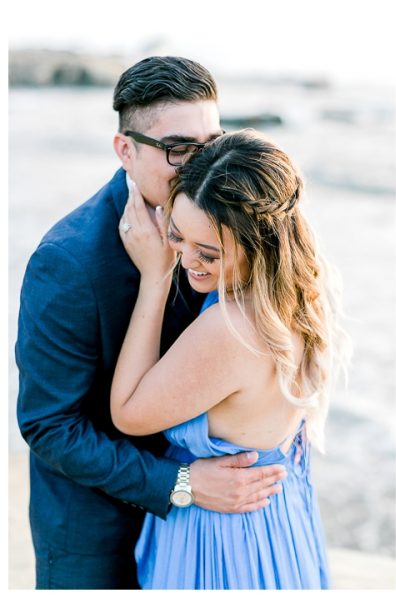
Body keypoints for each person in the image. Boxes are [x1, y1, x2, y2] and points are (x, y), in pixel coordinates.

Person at [16, 57, 286, 590]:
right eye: (179, 149)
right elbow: (48, 425)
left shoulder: (228, 224)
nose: (199, 165)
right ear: (126, 150)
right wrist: (181, 482)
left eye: (209, 145)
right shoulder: (67, 262)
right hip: (98, 533)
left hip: (208, 525)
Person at [110, 129, 345, 589]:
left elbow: (128, 414)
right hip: (275, 519)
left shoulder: (231, 328)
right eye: (176, 237)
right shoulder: (296, 298)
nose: (185, 260)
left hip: (223, 537)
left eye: (209, 254)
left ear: (259, 245)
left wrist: (154, 282)